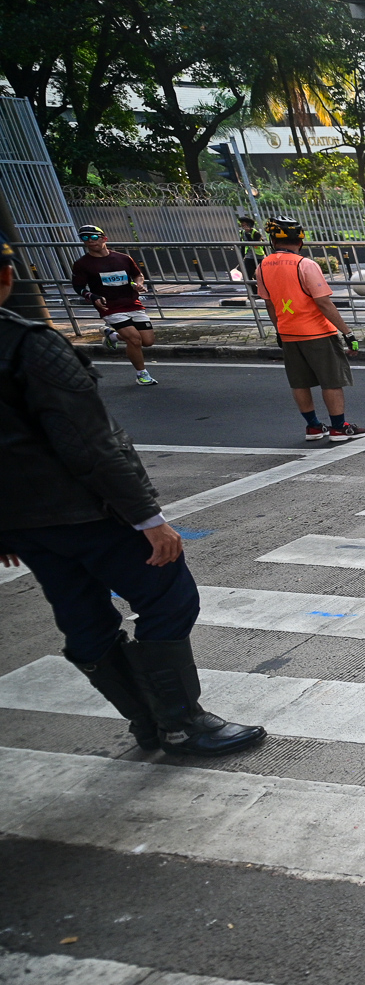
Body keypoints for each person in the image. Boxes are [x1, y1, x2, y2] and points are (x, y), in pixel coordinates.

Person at [0, 240, 265, 757]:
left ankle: (147, 721)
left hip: (24, 524)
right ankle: (181, 723)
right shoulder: (27, 344)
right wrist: (148, 518)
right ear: (7, 276)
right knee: (168, 597)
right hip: (86, 511)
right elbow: (89, 442)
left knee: (81, 615)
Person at [254, 217, 365, 444]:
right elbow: (323, 302)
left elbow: (269, 304)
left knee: (300, 382)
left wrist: (279, 330)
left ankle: (313, 426)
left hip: (288, 334)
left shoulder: (262, 267)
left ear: (273, 241)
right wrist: (348, 333)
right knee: (331, 381)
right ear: (300, 241)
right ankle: (339, 427)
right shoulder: (305, 265)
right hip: (318, 333)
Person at [70, 224, 157, 386]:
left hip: (132, 302)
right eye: (85, 238)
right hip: (110, 306)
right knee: (134, 340)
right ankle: (142, 374)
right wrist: (92, 296)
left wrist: (138, 284)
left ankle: (112, 336)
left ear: (104, 238)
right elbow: (78, 286)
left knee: (147, 341)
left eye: (94, 237)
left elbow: (138, 275)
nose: (90, 241)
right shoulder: (82, 264)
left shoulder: (123, 258)